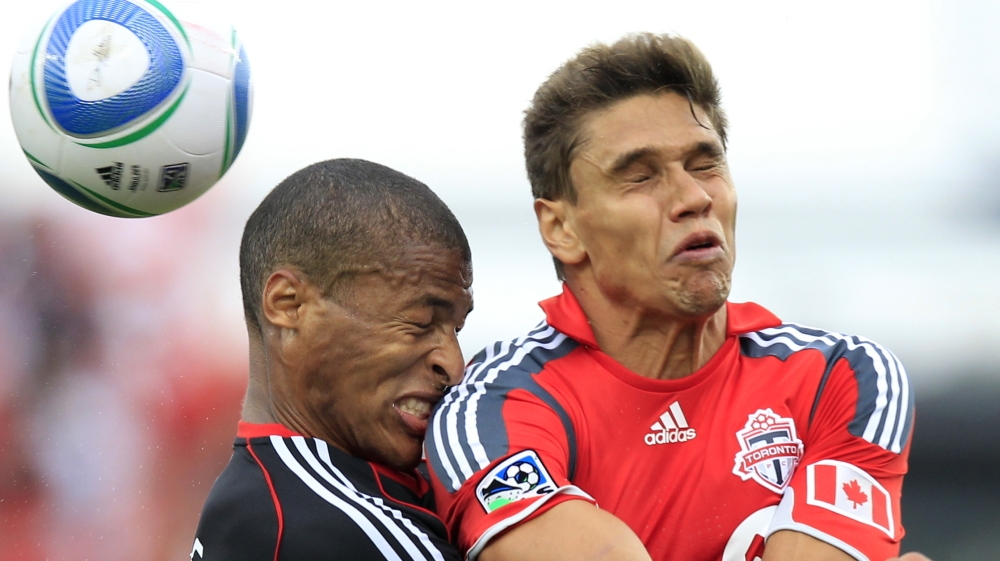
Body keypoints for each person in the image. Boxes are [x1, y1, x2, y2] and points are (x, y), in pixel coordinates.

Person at [425, 34, 916, 561]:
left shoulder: (844, 377)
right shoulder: (492, 409)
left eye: (706, 165)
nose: (694, 197)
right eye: (641, 177)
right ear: (562, 227)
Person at [191, 159, 472, 560]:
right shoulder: (320, 529)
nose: (454, 364)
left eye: (456, 329)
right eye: (419, 322)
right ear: (288, 305)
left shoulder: (267, 498)